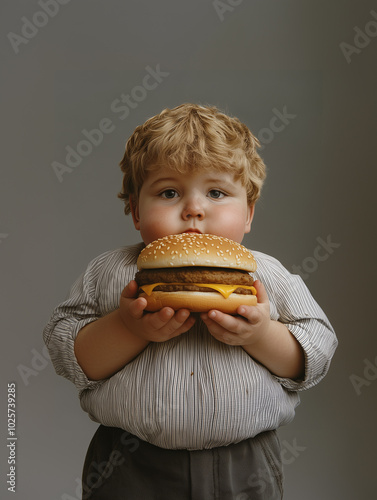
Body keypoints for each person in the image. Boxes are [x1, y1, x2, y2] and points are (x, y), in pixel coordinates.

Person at [43, 103, 337, 499]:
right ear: (134, 209)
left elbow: (316, 349)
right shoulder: (109, 272)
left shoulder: (267, 274)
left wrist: (262, 334)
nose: (194, 209)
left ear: (248, 213)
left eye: (216, 192)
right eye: (168, 192)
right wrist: (127, 328)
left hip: (244, 461)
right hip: (130, 462)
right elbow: (67, 351)